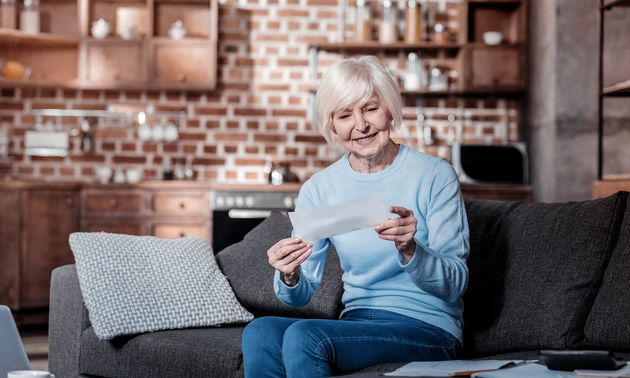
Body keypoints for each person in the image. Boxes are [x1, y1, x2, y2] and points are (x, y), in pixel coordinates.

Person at [241, 55, 470, 378]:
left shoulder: (434, 175)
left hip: (429, 328)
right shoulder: (320, 189)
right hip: (357, 322)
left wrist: (411, 250)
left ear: (389, 110)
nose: (360, 125)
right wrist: (290, 275)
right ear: (332, 124)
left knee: (305, 337)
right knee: (261, 332)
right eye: (345, 114)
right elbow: (302, 292)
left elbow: (455, 283)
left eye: (370, 109)